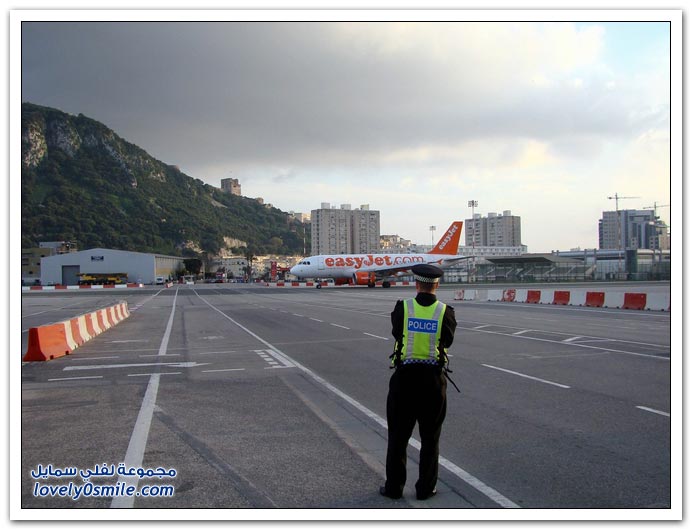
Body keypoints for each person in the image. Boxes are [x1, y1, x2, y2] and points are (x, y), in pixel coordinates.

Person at [380, 263, 457, 501]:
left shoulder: (402, 308)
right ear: (437, 284)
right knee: (430, 439)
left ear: (416, 283)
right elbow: (448, 341)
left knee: (398, 438)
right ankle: (425, 489)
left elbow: (396, 333)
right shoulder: (446, 312)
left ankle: (394, 488)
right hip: (433, 381)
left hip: (404, 379)